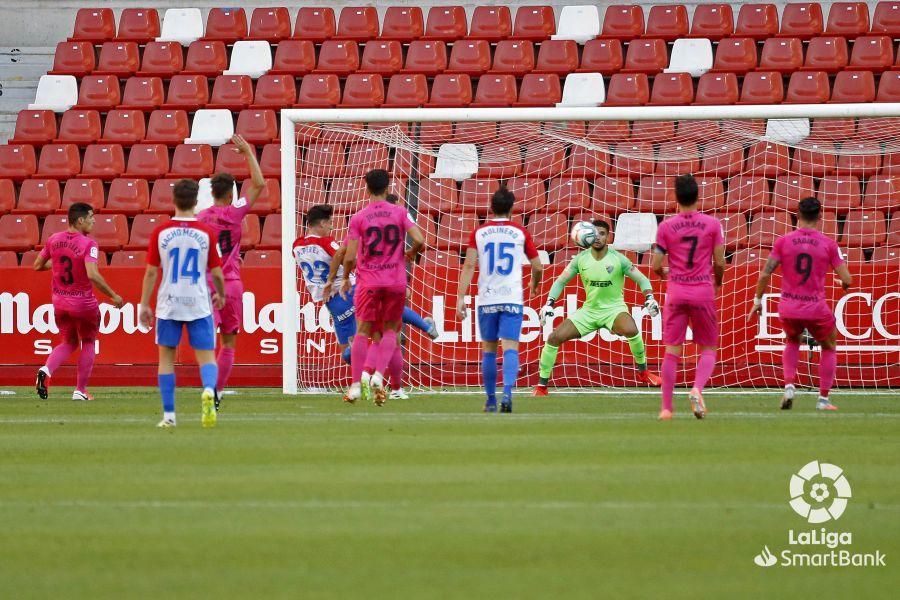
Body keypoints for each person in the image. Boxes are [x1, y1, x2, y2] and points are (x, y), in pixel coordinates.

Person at [294, 203, 437, 400]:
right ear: (321, 224)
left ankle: (363, 380)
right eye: (329, 224)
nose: (331, 228)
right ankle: (425, 327)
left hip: (332, 304)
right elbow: (341, 254)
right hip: (349, 292)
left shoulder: (297, 245)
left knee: (349, 353)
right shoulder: (326, 242)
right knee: (387, 327)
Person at [326, 169, 425, 405]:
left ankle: (355, 386)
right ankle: (379, 375)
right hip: (395, 281)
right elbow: (420, 240)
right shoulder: (401, 212)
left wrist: (347, 276)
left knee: (362, 332)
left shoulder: (359, 218)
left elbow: (349, 255)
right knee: (391, 331)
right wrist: (410, 252)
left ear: (367, 189)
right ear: (388, 187)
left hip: (369, 281)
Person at [535, 220, 662, 396]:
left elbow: (642, 280)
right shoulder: (581, 259)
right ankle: (541, 387)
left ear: (608, 237)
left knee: (631, 329)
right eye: (595, 233)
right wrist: (549, 302)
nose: (598, 237)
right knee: (554, 337)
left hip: (614, 310)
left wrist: (649, 297)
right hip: (589, 311)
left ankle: (643, 372)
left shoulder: (618, 258)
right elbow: (561, 281)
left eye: (602, 234)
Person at [749, 196, 852, 411]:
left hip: (789, 306)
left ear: (797, 215)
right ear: (820, 217)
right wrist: (842, 284)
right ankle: (823, 400)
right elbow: (848, 279)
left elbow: (765, 273)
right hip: (815, 307)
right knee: (829, 346)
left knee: (792, 341)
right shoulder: (829, 244)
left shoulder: (783, 241)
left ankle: (788, 387)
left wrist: (758, 300)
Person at [139, 179, 226, 428]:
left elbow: (151, 272)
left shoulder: (161, 232)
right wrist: (220, 294)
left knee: (166, 359)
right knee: (207, 357)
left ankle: (169, 416)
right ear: (196, 202)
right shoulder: (206, 233)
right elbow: (217, 273)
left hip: (169, 302)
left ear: (173, 200)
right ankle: (209, 390)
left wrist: (144, 303)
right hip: (197, 301)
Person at [456, 187, 543, 413]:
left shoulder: (479, 232)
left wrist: (460, 297)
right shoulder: (519, 231)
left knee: (489, 350)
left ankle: (491, 401)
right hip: (512, 298)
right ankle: (507, 394)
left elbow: (468, 265)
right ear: (512, 208)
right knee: (511, 348)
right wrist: (535, 283)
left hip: (487, 299)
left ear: (491, 208)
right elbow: (537, 265)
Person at [651, 174, 727, 421]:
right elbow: (719, 262)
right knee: (708, 348)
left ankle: (666, 409)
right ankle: (697, 389)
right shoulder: (712, 224)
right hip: (702, 289)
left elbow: (655, 265)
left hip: (676, 291)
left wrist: (665, 274)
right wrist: (717, 282)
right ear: (697, 196)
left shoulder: (666, 227)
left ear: (676, 198)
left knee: (672, 351)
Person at [197, 134, 265, 404]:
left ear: (212, 193)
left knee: (206, 340)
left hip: (206, 283)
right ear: (230, 194)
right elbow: (259, 184)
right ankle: (217, 391)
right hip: (232, 282)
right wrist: (248, 152)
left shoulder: (201, 218)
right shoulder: (236, 212)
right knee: (228, 343)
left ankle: (207, 385)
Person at [34, 202, 124, 401]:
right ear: (80, 220)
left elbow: (37, 265)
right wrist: (113, 295)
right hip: (83, 303)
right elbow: (92, 274)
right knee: (89, 341)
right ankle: (80, 390)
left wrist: (57, 263)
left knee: (68, 342)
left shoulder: (53, 239)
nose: (93, 221)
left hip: (59, 302)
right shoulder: (88, 244)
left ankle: (46, 370)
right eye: (91, 217)